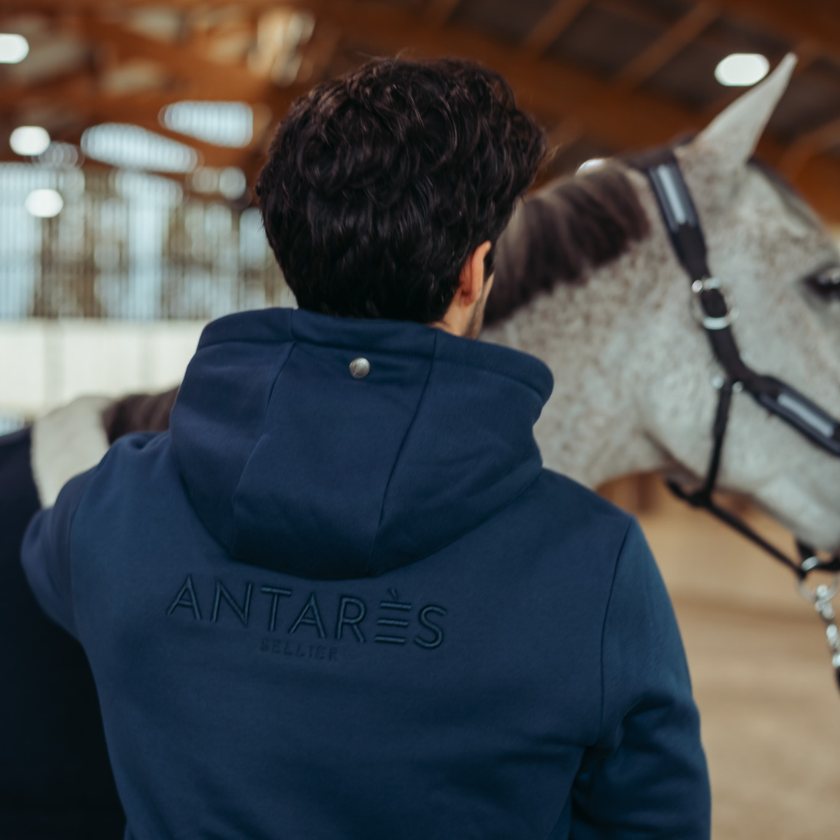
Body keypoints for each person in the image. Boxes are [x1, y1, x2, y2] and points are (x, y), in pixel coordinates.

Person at [21, 57, 710, 839]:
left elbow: (47, 563)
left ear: (290, 249)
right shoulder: (596, 565)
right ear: (473, 272)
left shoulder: (110, 509)